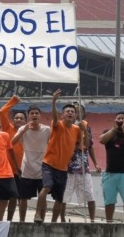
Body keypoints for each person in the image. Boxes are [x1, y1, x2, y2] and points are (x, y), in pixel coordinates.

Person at [33, 90, 85, 224]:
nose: (70, 113)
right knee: (46, 187)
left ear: (75, 116)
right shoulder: (57, 125)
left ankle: (54, 222)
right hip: (49, 164)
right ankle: (38, 214)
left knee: (60, 198)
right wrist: (54, 101)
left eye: (72, 112)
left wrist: (85, 131)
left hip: (62, 168)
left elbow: (85, 144)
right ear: (63, 115)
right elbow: (55, 118)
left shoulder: (76, 129)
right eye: (67, 111)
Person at [10, 104, 51, 223]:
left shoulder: (47, 129)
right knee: (23, 197)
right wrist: (23, 131)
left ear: (40, 116)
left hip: (42, 167)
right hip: (27, 167)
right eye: (32, 113)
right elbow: (12, 142)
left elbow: (53, 144)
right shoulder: (22, 129)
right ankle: (22, 221)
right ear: (28, 116)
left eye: (36, 113)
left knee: (42, 196)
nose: (34, 115)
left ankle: (40, 218)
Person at [100, 112, 124, 223]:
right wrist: (114, 129)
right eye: (118, 118)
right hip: (110, 173)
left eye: (123, 119)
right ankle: (109, 223)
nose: (120, 120)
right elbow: (101, 140)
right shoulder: (108, 132)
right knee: (109, 201)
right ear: (114, 120)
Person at [63, 106, 99, 222]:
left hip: (83, 167)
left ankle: (92, 219)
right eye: (74, 111)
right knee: (64, 195)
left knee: (89, 194)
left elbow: (89, 146)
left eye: (79, 112)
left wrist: (96, 163)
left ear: (83, 114)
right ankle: (61, 218)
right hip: (67, 167)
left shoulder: (85, 126)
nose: (76, 113)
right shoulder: (64, 126)